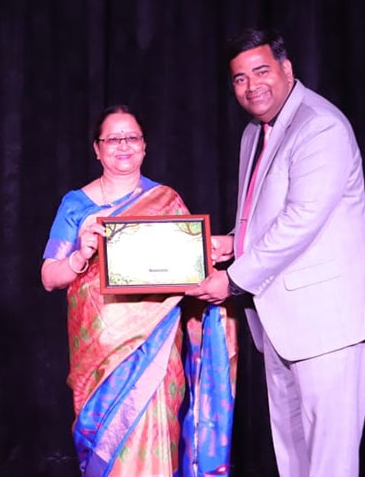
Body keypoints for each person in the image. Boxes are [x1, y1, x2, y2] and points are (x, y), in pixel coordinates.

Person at [186, 28, 365, 477]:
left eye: (261, 71)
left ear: (286, 69)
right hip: (282, 323)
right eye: (240, 78)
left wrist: (233, 278)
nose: (251, 86)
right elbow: (268, 216)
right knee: (294, 459)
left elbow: (301, 220)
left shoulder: (320, 126)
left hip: (330, 324)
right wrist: (231, 242)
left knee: (330, 463)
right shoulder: (254, 133)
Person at [41, 105, 237, 476]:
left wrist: (213, 259)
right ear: (97, 148)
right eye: (112, 139)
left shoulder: (167, 201)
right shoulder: (76, 205)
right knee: (107, 446)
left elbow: (193, 270)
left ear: (144, 146)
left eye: (131, 137)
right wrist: (81, 255)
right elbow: (49, 276)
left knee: (157, 435)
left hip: (157, 347)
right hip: (100, 353)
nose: (123, 146)